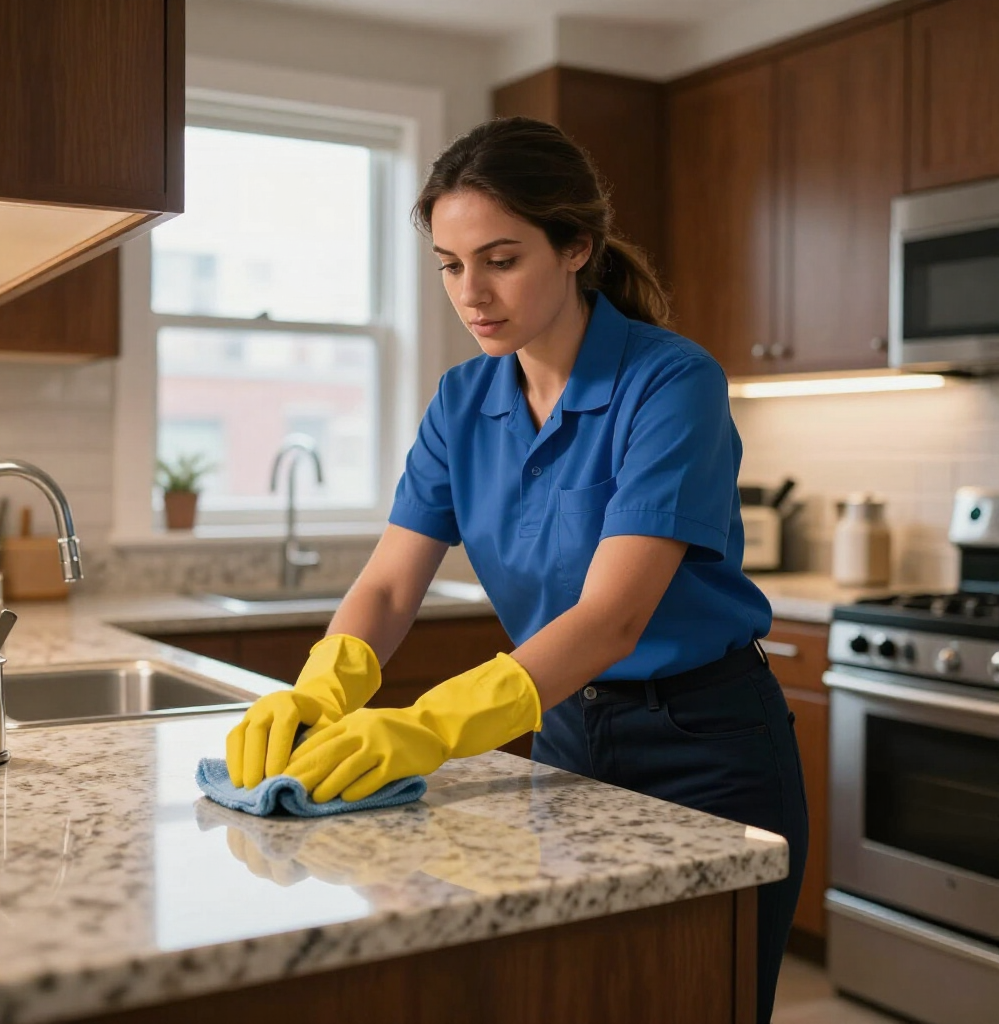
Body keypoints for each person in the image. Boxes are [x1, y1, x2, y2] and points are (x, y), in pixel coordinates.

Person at [225, 116, 808, 1024]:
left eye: (501, 258)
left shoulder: (670, 383)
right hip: (565, 735)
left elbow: (614, 617)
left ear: (576, 246)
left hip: (702, 746)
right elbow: (387, 585)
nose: (472, 292)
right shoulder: (463, 400)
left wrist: (427, 726)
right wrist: (318, 687)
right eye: (452, 265)